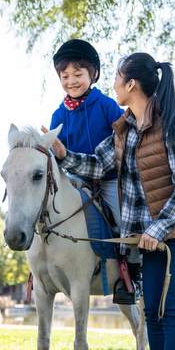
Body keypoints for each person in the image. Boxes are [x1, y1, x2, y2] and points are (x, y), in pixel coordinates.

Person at [48, 52, 175, 350]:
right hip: (149, 236)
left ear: (131, 84)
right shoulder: (124, 129)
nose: (115, 84)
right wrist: (62, 153)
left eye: (118, 77)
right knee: (151, 311)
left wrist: (156, 230)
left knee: (170, 309)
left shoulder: (174, 126)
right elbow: (95, 165)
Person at [49, 39, 141, 304]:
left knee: (127, 222)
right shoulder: (58, 115)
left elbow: (122, 142)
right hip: (75, 179)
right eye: (64, 76)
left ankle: (132, 276)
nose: (71, 81)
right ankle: (46, 266)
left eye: (78, 74)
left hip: (109, 179)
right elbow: (58, 157)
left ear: (94, 74)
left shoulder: (107, 106)